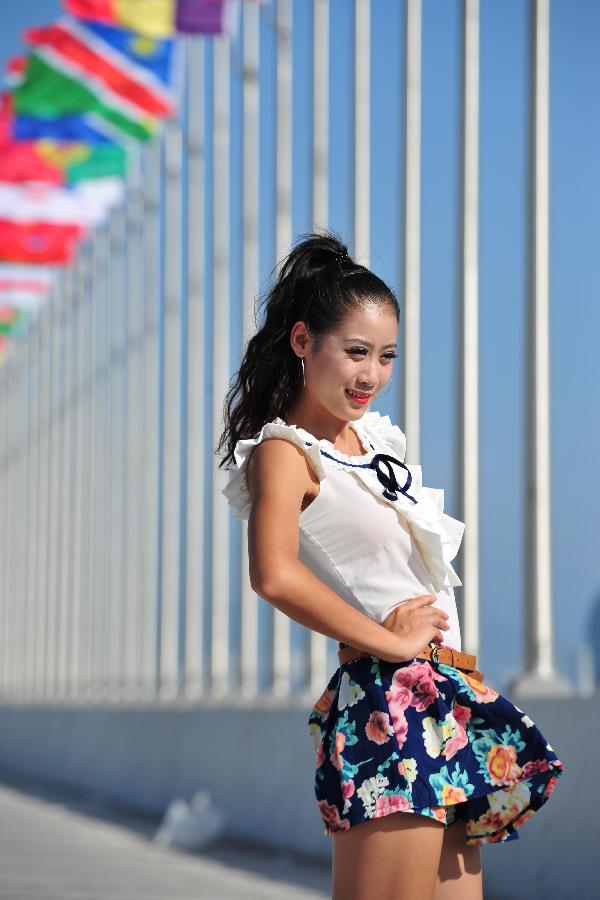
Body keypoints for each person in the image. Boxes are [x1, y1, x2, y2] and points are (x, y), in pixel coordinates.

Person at [217, 232, 564, 900]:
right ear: (301, 342)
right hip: (390, 705)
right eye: (354, 352)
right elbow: (274, 574)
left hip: (444, 701)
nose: (370, 374)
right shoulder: (286, 453)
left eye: (385, 356)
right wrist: (389, 640)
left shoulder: (376, 441)